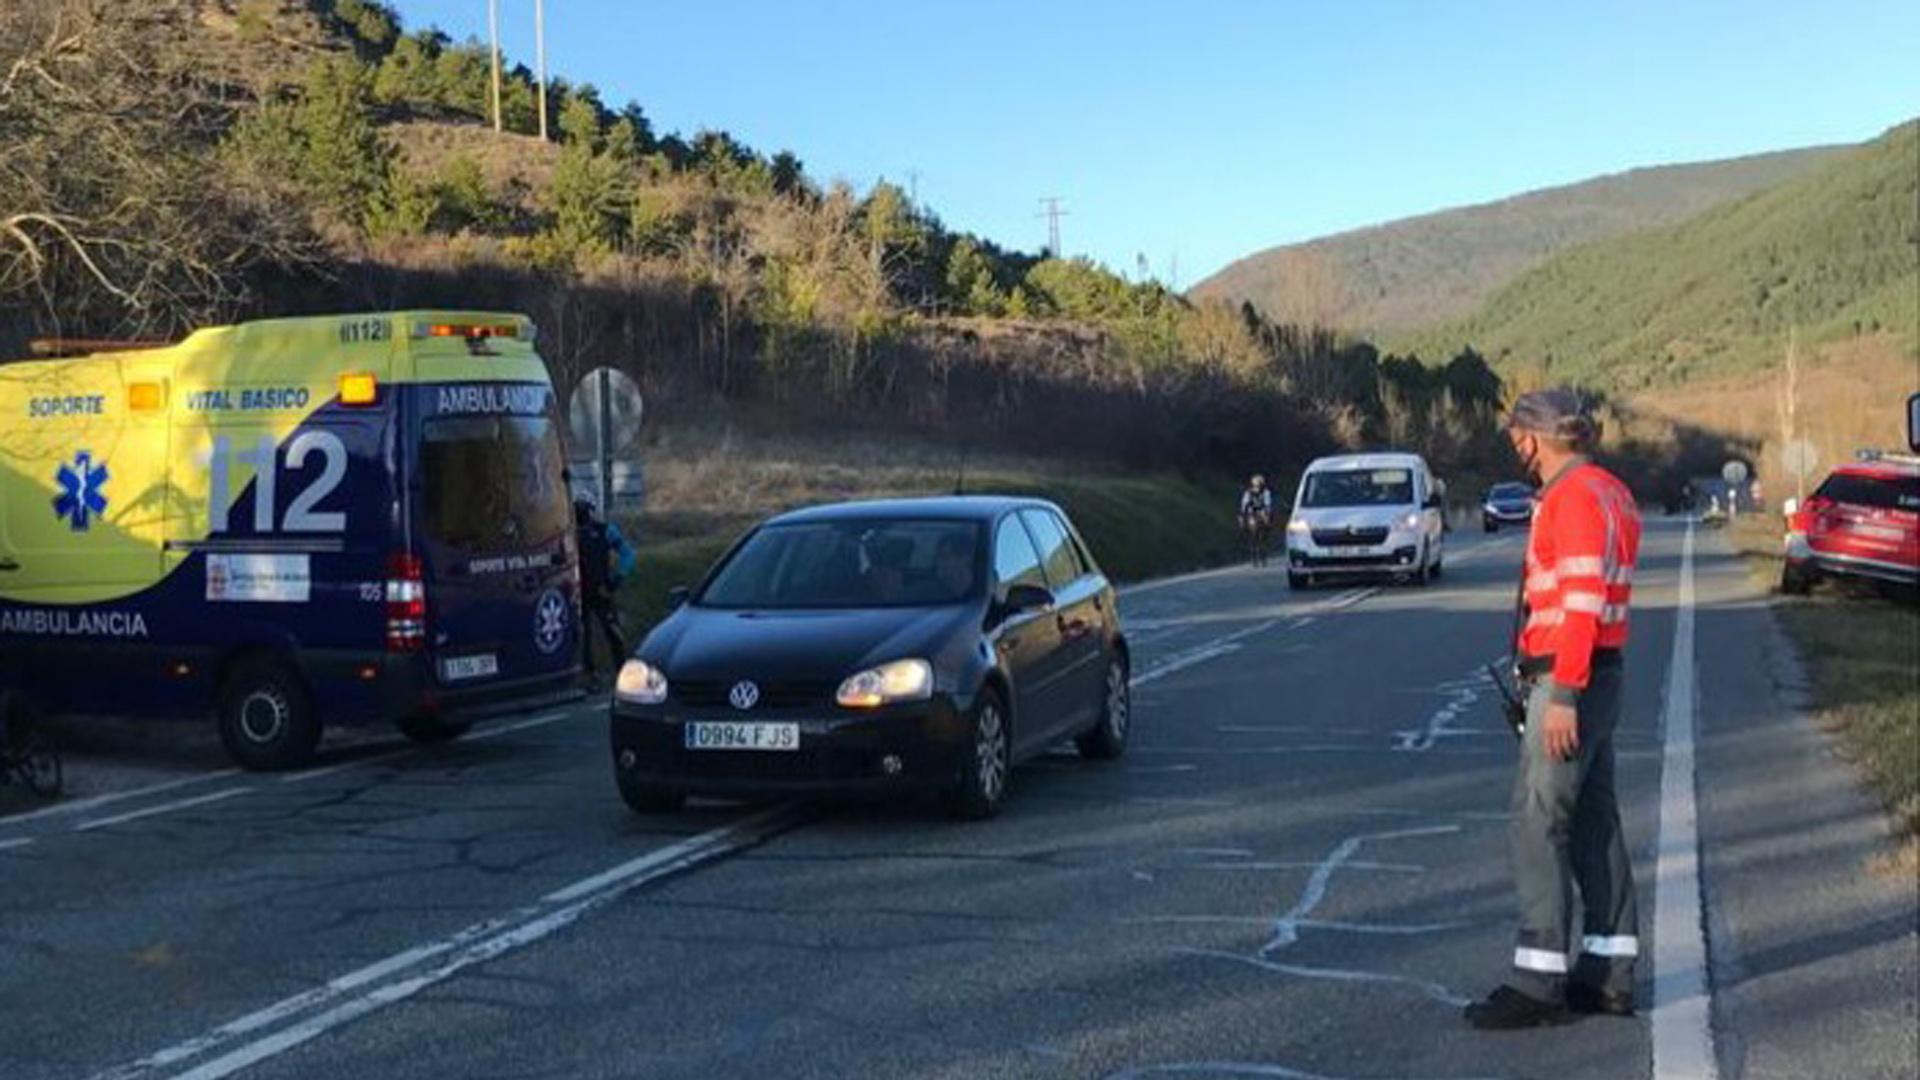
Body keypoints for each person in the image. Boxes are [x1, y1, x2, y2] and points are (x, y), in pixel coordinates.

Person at [1466, 387, 1643, 1031]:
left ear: (1535, 437)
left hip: (1571, 678)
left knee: (1539, 819)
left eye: (1517, 433)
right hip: (1603, 674)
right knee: (1595, 822)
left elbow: (1580, 600)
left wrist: (1562, 693)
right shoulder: (1612, 491)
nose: (1514, 445)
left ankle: (1538, 981)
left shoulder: (1571, 497)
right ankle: (1608, 973)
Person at [574, 496, 635, 687]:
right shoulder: (570, 532)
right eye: (578, 508)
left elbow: (627, 553)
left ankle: (621, 670)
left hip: (601, 590)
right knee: (582, 636)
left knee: (612, 630)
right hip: (578, 592)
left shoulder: (604, 530)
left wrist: (616, 579)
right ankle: (589, 674)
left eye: (583, 508)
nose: (581, 513)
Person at [1238, 474, 1275, 565]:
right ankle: (1245, 531)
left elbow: (1268, 503)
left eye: (1259, 484)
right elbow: (1244, 504)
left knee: (1266, 521)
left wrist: (1267, 511)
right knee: (1245, 522)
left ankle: (1267, 532)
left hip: (1261, 510)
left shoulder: (1266, 492)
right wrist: (1244, 512)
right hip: (1252, 511)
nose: (1257, 486)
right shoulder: (1248, 493)